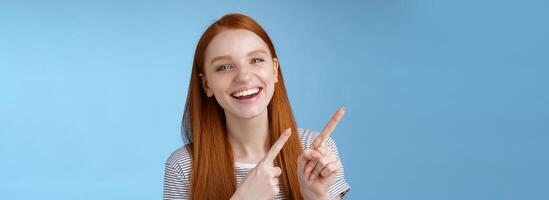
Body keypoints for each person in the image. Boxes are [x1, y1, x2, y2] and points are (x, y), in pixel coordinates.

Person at [163, 13, 350, 200]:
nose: (244, 76)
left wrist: (316, 197)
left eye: (256, 60)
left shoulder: (313, 150)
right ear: (207, 85)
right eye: (224, 67)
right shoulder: (183, 166)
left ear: (275, 70)